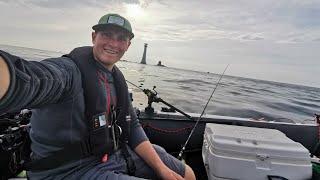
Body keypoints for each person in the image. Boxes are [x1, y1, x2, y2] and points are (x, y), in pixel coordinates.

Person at [0, 13, 195, 180]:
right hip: (65, 172)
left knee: (186, 173)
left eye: (121, 38)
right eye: (107, 35)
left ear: (128, 45)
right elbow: (32, 79)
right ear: (94, 37)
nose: (113, 43)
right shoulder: (68, 72)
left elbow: (133, 128)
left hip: (111, 156)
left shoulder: (116, 79)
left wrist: (162, 170)